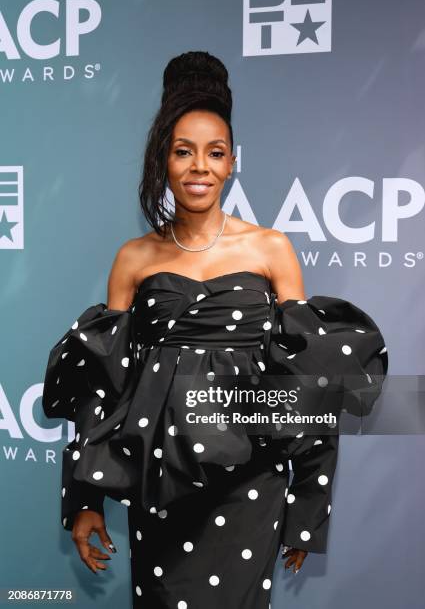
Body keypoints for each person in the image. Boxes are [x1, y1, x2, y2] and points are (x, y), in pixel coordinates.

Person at [41, 51, 388, 608]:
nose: (199, 166)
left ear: (231, 163)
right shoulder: (133, 258)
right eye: (183, 152)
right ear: (164, 159)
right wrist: (84, 499)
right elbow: (104, 389)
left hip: (251, 480)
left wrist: (306, 512)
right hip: (160, 486)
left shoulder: (271, 248)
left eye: (214, 152)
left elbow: (305, 380)